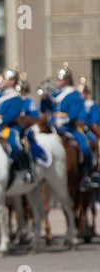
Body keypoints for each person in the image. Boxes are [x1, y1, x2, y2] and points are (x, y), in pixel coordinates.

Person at [47, 63, 94, 191]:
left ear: (68, 79)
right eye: (58, 78)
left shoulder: (73, 93)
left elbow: (75, 110)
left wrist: (65, 119)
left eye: (61, 78)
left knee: (85, 146)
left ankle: (86, 176)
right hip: (52, 124)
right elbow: (45, 108)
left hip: (68, 126)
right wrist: (45, 97)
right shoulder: (55, 93)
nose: (59, 81)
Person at [0, 66, 34, 183]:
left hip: (10, 126)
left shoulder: (16, 97)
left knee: (14, 142)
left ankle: (26, 170)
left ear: (12, 81)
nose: (3, 81)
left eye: (5, 79)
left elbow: (12, 115)